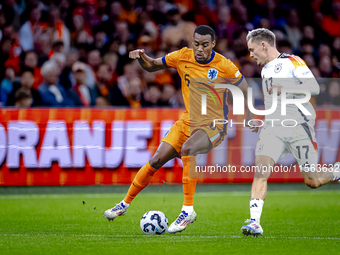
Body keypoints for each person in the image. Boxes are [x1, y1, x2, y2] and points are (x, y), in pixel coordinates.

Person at [104, 25, 252, 233]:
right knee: (156, 159)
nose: (199, 49)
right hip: (187, 122)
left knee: (188, 149)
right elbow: (153, 66)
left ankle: (188, 210)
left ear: (213, 44)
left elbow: (246, 89)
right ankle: (124, 204)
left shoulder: (224, 65)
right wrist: (141, 57)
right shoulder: (182, 56)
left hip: (214, 124)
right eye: (196, 44)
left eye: (205, 45)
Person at [241, 28, 340, 236]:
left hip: (299, 127)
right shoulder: (264, 70)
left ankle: (337, 172)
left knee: (312, 181)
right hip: (273, 129)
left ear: (264, 45)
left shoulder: (293, 61)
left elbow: (314, 87)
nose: (250, 55)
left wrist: (284, 88)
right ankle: (254, 222)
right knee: (261, 170)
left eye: (252, 50)